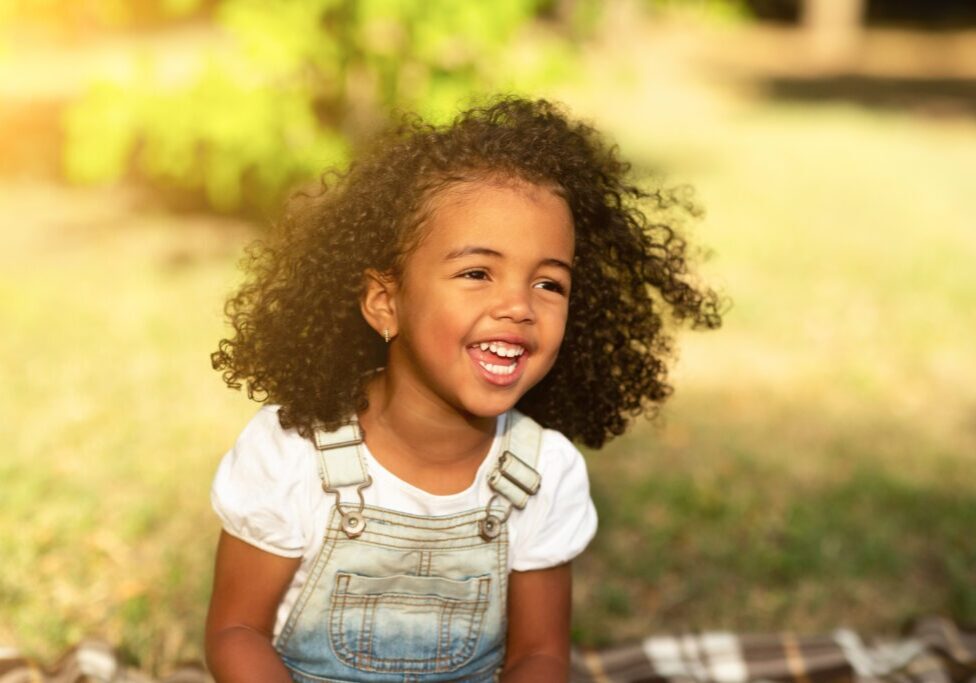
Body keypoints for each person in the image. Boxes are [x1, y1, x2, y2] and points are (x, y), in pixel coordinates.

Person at [204, 97, 721, 683]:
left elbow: (539, 656)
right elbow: (236, 632)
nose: (518, 306)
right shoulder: (293, 451)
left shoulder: (542, 472)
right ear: (386, 303)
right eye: (477, 273)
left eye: (549, 283)